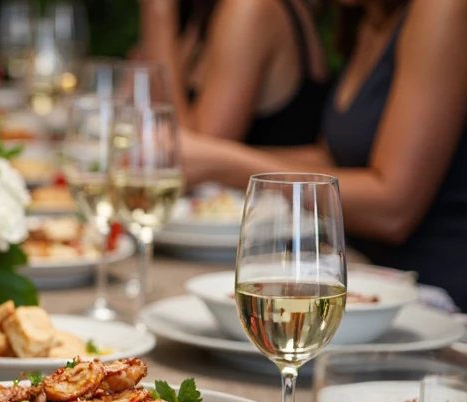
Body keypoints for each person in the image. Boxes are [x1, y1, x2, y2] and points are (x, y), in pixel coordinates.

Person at [180, 0, 467, 309]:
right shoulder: (367, 18)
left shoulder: (442, 9)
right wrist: (215, 158)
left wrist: (222, 163)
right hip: (359, 276)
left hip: (431, 298)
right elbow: (334, 158)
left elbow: (393, 210)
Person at [135, 0, 331, 145]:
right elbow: (133, 108)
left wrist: (158, 14)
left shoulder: (250, 8)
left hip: (264, 191)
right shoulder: (200, 16)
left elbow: (192, 156)